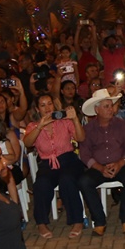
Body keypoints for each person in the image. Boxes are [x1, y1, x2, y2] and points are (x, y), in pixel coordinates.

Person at [77, 88, 125, 236]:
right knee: (84, 182)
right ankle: (99, 221)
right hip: (98, 167)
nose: (110, 109)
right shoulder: (88, 129)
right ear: (97, 110)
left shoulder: (122, 125)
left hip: (120, 164)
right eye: (106, 106)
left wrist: (120, 163)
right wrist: (100, 168)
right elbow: (84, 154)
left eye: (110, 106)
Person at [24, 95, 86, 239]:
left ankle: (77, 220)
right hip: (47, 163)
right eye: (43, 105)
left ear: (54, 105)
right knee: (41, 184)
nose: (47, 108)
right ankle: (41, 223)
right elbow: (27, 143)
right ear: (37, 109)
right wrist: (40, 126)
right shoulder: (33, 126)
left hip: (68, 160)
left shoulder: (64, 121)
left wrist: (75, 119)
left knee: (67, 179)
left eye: (50, 104)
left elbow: (81, 138)